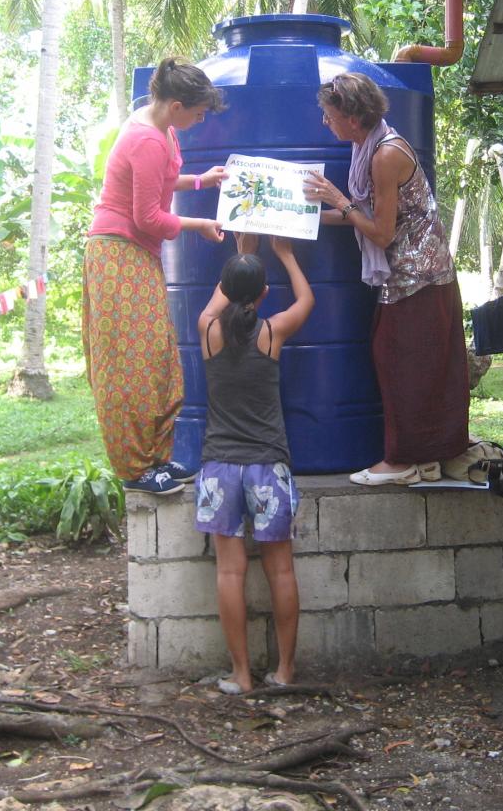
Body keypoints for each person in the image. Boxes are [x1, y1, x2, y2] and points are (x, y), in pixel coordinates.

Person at [302, 71, 468, 485]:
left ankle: (404, 461)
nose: (326, 123)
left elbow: (380, 231)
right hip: (410, 278)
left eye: (329, 115)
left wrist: (338, 200)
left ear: (353, 118)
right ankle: (430, 457)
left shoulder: (384, 155)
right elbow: (358, 216)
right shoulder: (369, 145)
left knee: (403, 366)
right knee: (410, 365)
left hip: (419, 278)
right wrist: (295, 218)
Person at [82, 57, 228, 495]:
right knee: (129, 366)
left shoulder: (158, 128)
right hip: (119, 252)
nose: (200, 120)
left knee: (158, 358)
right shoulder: (146, 139)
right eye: (198, 113)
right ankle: (134, 468)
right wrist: (199, 226)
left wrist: (201, 181)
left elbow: (159, 182)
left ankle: (156, 459)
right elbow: (148, 217)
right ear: (176, 105)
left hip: (133, 253)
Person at [194, 234, 314, 694]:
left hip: (219, 468)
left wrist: (242, 253)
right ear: (264, 295)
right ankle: (284, 671)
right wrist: (283, 254)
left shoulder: (207, 331)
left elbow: (220, 299)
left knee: (229, 573)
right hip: (268, 467)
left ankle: (241, 676)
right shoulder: (272, 332)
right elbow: (307, 299)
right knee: (280, 570)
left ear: (223, 287)